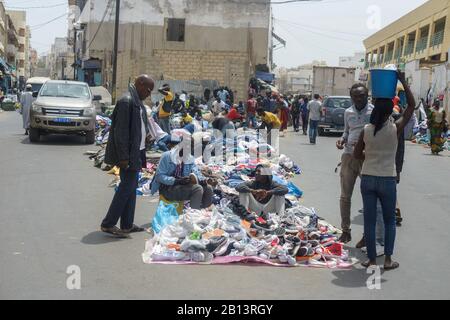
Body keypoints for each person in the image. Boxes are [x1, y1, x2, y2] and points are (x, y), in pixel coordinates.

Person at [354, 71, 416, 270]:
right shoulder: (394, 128)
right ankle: (388, 260)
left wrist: (371, 157)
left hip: (368, 178)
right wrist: (403, 81)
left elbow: (356, 154)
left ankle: (371, 260)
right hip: (387, 179)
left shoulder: (366, 130)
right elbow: (412, 106)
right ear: (390, 112)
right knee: (389, 221)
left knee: (370, 222)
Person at [101, 75, 155, 237]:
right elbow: (121, 132)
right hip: (129, 154)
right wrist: (123, 157)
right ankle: (108, 223)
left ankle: (126, 224)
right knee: (126, 188)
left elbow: (135, 127)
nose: (149, 93)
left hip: (136, 151)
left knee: (131, 189)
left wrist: (144, 136)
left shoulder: (136, 102)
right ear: (140, 84)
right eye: (148, 89)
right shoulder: (127, 101)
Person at [336, 84, 373, 244]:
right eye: (356, 96)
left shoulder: (374, 111)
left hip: (368, 158)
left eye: (362, 95)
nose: (359, 98)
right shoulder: (348, 112)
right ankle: (346, 231)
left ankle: (367, 235)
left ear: (367, 95)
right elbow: (346, 131)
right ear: (351, 97)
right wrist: (342, 139)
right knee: (345, 197)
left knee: (369, 199)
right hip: (349, 156)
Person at [150, 139, 214, 210]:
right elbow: (159, 176)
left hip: (181, 187)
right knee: (197, 189)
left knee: (208, 188)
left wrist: (202, 180)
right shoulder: (167, 156)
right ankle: (193, 216)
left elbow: (196, 171)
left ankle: (202, 213)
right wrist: (176, 181)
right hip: (167, 188)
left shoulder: (189, 158)